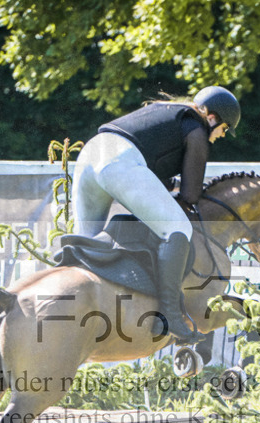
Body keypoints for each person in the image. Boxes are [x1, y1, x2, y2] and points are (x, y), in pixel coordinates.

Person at [72, 85, 241, 345]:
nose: (221, 136)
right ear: (212, 117)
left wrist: (172, 186)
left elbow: (155, 175)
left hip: (91, 155)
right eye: (225, 128)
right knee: (178, 230)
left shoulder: (167, 112)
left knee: (85, 240)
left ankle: (64, 303)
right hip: (120, 161)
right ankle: (170, 315)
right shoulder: (195, 128)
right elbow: (191, 195)